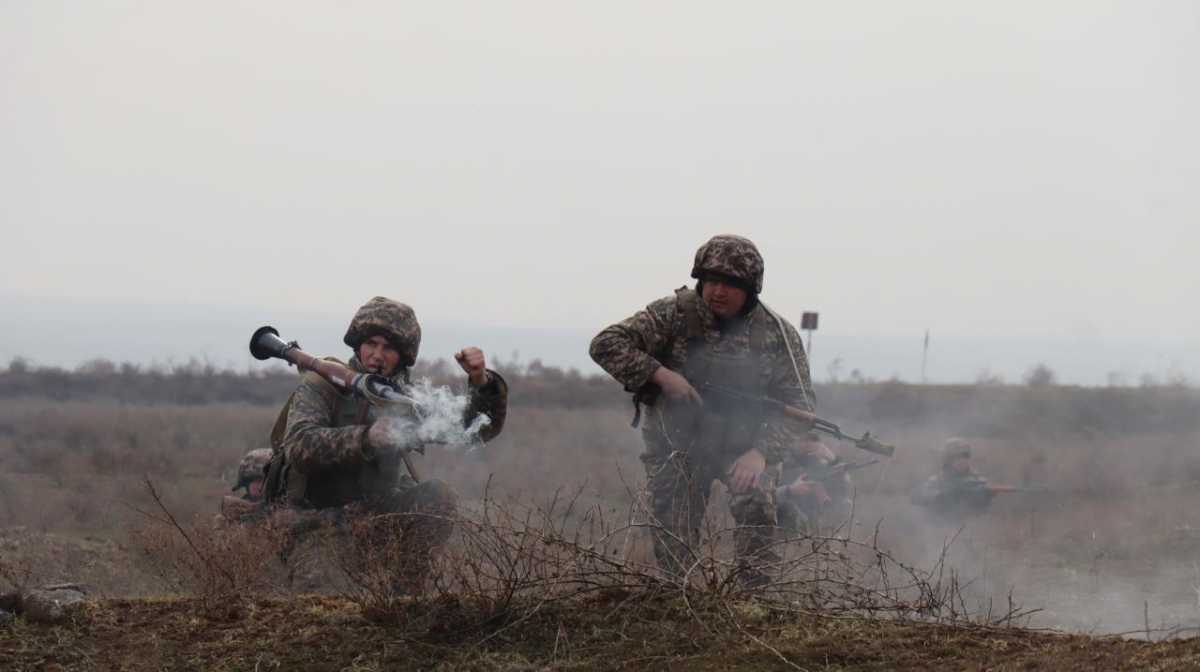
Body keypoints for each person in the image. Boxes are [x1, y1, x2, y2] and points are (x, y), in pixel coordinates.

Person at [589, 235, 815, 587]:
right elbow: (606, 344)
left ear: (750, 289)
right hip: (677, 443)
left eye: (730, 284)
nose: (717, 292)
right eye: (711, 281)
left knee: (756, 505)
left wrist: (761, 453)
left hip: (743, 447)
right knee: (673, 529)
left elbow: (800, 406)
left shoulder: (777, 334)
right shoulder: (673, 313)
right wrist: (661, 376)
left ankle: (753, 605)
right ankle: (681, 606)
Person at [268, 296, 507, 593]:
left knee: (437, 497)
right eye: (371, 344)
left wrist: (480, 380)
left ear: (403, 356)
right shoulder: (323, 384)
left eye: (389, 348)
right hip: (315, 525)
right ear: (358, 344)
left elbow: (474, 430)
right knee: (329, 611)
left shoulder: (401, 398)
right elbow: (299, 447)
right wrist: (366, 438)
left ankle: (404, 595)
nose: (377, 356)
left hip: (375, 519)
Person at [775, 433, 852, 535]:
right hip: (780, 526)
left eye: (813, 450)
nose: (809, 453)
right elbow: (762, 497)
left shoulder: (818, 464)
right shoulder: (778, 461)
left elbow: (843, 494)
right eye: (805, 447)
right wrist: (790, 490)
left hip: (810, 528)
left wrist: (832, 460)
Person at [909, 438, 994, 517]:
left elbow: (982, 513)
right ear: (948, 459)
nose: (962, 460)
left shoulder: (978, 481)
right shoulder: (939, 480)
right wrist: (941, 496)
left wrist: (983, 497)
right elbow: (916, 496)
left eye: (965, 456)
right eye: (957, 457)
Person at [216, 448, 273, 525]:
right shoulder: (235, 511)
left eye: (261, 480)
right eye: (253, 480)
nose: (258, 486)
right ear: (246, 483)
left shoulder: (279, 507)